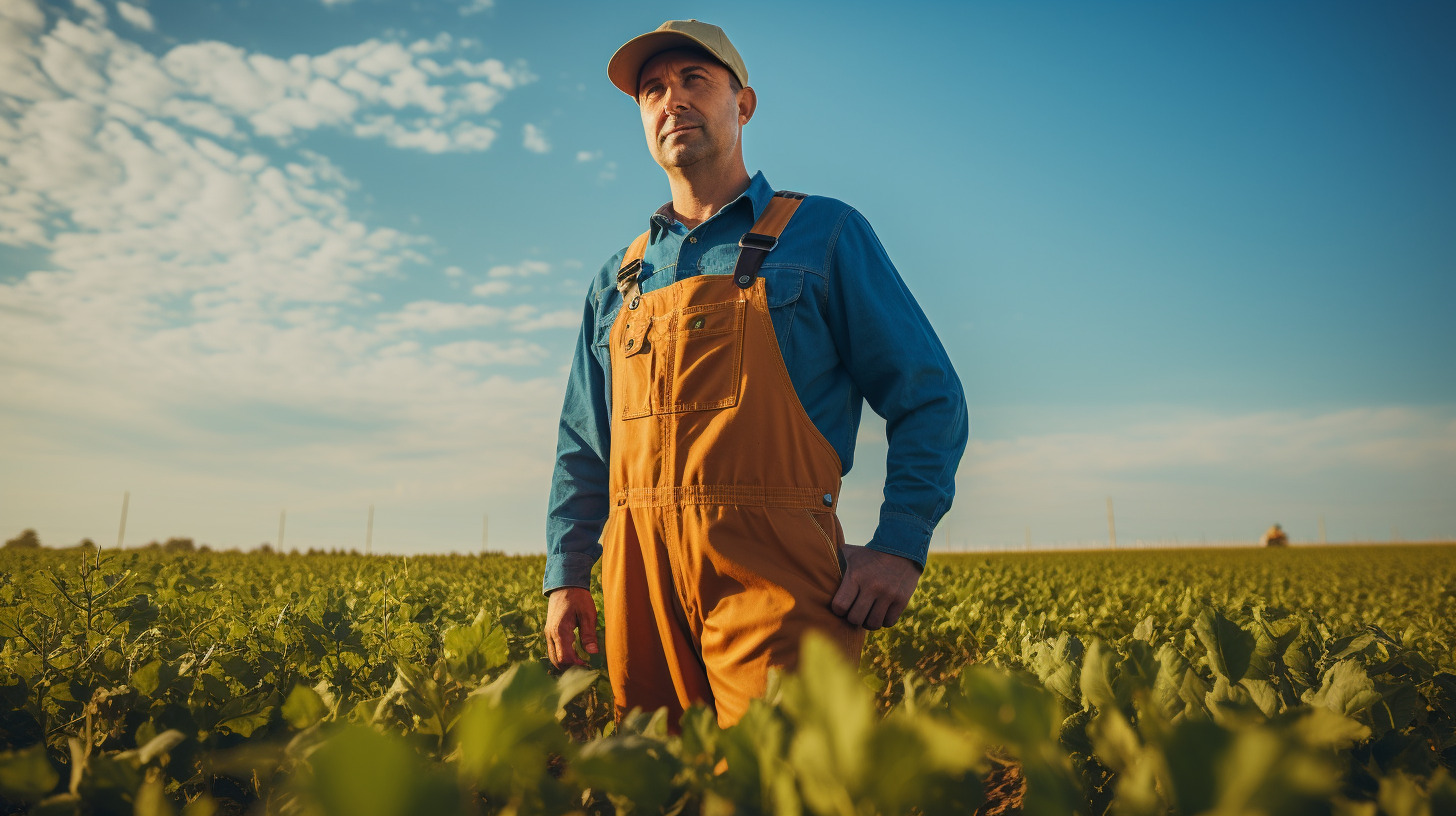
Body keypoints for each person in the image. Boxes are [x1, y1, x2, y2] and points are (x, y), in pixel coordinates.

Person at [542, 19, 968, 727]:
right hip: (636, 581)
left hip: (774, 578)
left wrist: (900, 544)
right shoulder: (617, 281)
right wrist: (566, 575)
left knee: (786, 784)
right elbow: (583, 445)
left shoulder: (824, 233)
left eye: (693, 81)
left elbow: (929, 395)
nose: (671, 100)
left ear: (744, 105)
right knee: (658, 784)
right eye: (652, 90)